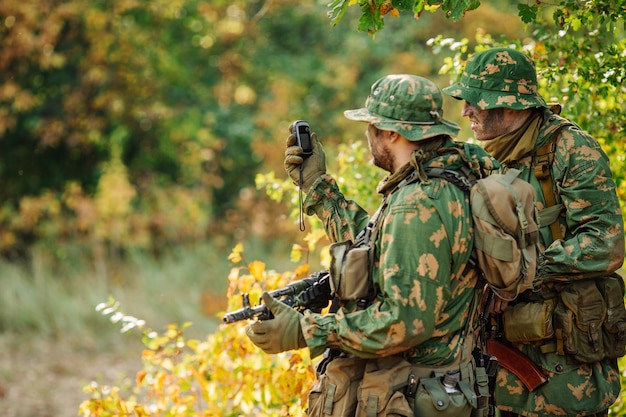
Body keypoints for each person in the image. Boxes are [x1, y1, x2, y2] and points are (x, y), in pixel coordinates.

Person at [246, 74, 499, 416]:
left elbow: (405, 321)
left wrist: (307, 329)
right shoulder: (435, 184)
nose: (367, 135)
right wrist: (319, 188)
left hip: (409, 392)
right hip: (418, 388)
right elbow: (378, 249)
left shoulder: (418, 204)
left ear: (392, 133)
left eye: (371, 126)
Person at [442, 47, 626, 417]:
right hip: (496, 374)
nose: (465, 112)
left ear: (508, 104)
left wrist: (522, 273)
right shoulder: (484, 158)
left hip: (563, 381)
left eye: (474, 102)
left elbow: (606, 243)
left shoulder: (571, 150)